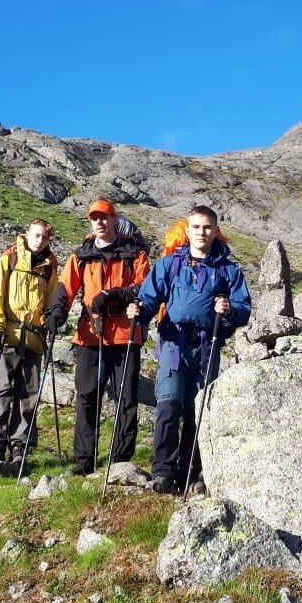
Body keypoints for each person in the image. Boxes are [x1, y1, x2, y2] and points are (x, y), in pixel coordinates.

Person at [129, 205, 251, 494]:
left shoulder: (227, 270)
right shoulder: (170, 264)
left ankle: (191, 472)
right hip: (173, 342)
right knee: (168, 403)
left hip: (207, 347)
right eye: (196, 227)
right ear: (187, 230)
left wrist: (230, 309)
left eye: (207, 227)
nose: (201, 233)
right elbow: (149, 298)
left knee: (198, 411)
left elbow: (244, 307)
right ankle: (163, 471)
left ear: (215, 231)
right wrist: (139, 311)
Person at [46, 199, 150, 475]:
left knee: (126, 399)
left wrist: (115, 294)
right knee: (86, 397)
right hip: (91, 335)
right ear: (90, 223)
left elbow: (145, 286)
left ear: (114, 220)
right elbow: (66, 287)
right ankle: (84, 460)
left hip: (126, 335)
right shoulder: (81, 255)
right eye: (95, 218)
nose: (100, 222)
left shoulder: (134, 254)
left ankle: (120, 459)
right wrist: (57, 312)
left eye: (104, 217)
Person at [0, 219, 58, 465]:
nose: (40, 241)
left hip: (34, 340)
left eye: (45, 238)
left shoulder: (49, 267)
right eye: (37, 235)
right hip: (7, 338)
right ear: (27, 234)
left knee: (27, 397)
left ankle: (20, 446)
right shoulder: (9, 259)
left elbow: (51, 299)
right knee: (0, 393)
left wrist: (51, 318)